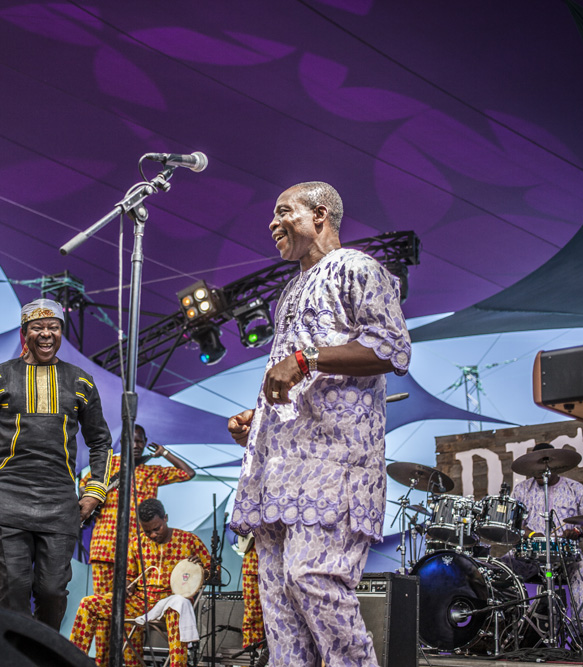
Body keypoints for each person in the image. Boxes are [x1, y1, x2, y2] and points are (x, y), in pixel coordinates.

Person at [227, 182, 411, 667]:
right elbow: (293, 376)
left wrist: (306, 360)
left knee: (315, 579)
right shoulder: (289, 291)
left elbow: (391, 348)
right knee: (281, 608)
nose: (272, 223)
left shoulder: (357, 267)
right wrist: (260, 418)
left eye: (283, 211)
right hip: (279, 470)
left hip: (334, 464)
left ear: (320, 214)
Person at [0, 298, 112, 630]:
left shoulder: (81, 381)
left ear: (61, 333)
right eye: (37, 328)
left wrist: (93, 492)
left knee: (52, 591)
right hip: (6, 498)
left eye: (53, 327)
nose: (46, 334)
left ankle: (44, 654)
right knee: (14, 589)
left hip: (59, 501)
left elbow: (101, 441)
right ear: (24, 332)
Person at [71, 498, 211, 667]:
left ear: (165, 518)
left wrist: (203, 569)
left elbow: (214, 573)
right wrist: (127, 585)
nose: (153, 535)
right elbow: (129, 576)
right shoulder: (136, 543)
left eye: (157, 528)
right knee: (88, 604)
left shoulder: (189, 540)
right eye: (147, 531)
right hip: (140, 601)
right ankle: (72, 660)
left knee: (178, 606)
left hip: (170, 600)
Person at [84, 424, 194, 596]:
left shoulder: (152, 472)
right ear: (122, 442)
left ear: (145, 443)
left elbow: (188, 473)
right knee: (102, 602)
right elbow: (84, 488)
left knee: (134, 603)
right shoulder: (109, 465)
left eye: (139, 441)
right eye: (131, 441)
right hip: (105, 546)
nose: (135, 445)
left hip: (136, 550)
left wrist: (164, 453)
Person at [507, 442, 583, 639]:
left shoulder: (575, 489)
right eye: (534, 467)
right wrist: (531, 534)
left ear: (554, 466)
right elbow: (513, 525)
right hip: (528, 555)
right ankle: (506, 633)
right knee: (498, 571)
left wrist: (577, 531)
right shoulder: (521, 490)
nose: (538, 471)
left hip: (565, 556)